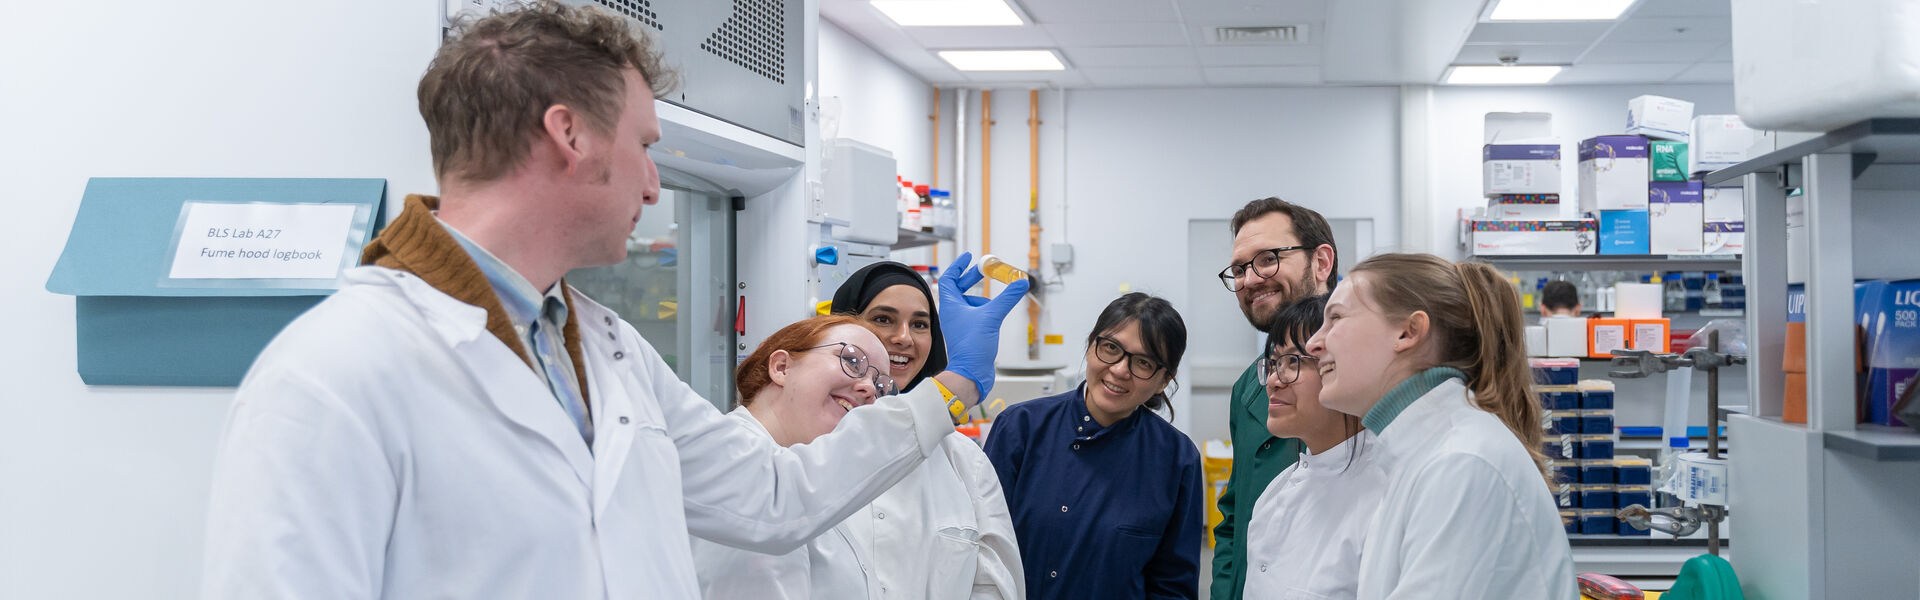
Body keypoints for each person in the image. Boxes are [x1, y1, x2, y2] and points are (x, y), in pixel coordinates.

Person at [198, 3, 1030, 598]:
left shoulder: (607, 350)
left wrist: (947, 391)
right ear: (569, 136)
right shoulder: (335, 371)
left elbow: (775, 499)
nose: (654, 180)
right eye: (642, 145)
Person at [688, 277, 1024, 599]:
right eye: (851, 361)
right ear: (781, 367)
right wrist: (957, 386)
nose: (868, 388)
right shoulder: (735, 463)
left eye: (881, 386)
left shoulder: (945, 458)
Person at [1303, 253, 1575, 599]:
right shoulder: (1426, 454)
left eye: (1336, 318)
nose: (1314, 343)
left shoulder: (1461, 462)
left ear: (1408, 332)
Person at [984, 292, 1205, 599]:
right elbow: (982, 551)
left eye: (1143, 362)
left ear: (1163, 380)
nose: (1119, 370)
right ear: (1090, 346)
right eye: (1111, 348)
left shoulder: (1176, 460)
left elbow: (1172, 586)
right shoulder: (1020, 428)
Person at [1211, 197, 1339, 600]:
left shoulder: (1376, 381)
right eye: (1238, 269)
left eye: (1267, 259)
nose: (1249, 279)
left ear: (1321, 263)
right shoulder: (1251, 386)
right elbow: (1235, 519)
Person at [1242, 294, 1385, 600]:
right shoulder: (1276, 492)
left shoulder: (1386, 497)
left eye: (1292, 361)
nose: (1272, 381)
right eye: (1273, 363)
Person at [831, 261, 948, 392]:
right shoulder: (818, 408)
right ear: (846, 325)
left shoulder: (940, 409)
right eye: (883, 319)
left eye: (919, 324)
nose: (904, 338)